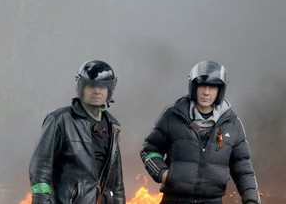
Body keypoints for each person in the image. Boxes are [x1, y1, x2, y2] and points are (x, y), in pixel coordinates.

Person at [141, 61, 260, 204]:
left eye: (212, 87)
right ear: (194, 87)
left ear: (220, 91)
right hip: (174, 200)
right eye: (202, 86)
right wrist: (163, 174)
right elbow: (149, 151)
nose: (206, 92)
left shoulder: (232, 125)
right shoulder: (173, 117)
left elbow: (242, 168)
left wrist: (251, 200)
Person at [28, 60, 126, 204]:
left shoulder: (113, 126)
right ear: (81, 87)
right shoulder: (59, 120)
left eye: (102, 87)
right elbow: (39, 169)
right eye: (91, 86)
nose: (97, 91)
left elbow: (116, 182)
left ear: (109, 89)